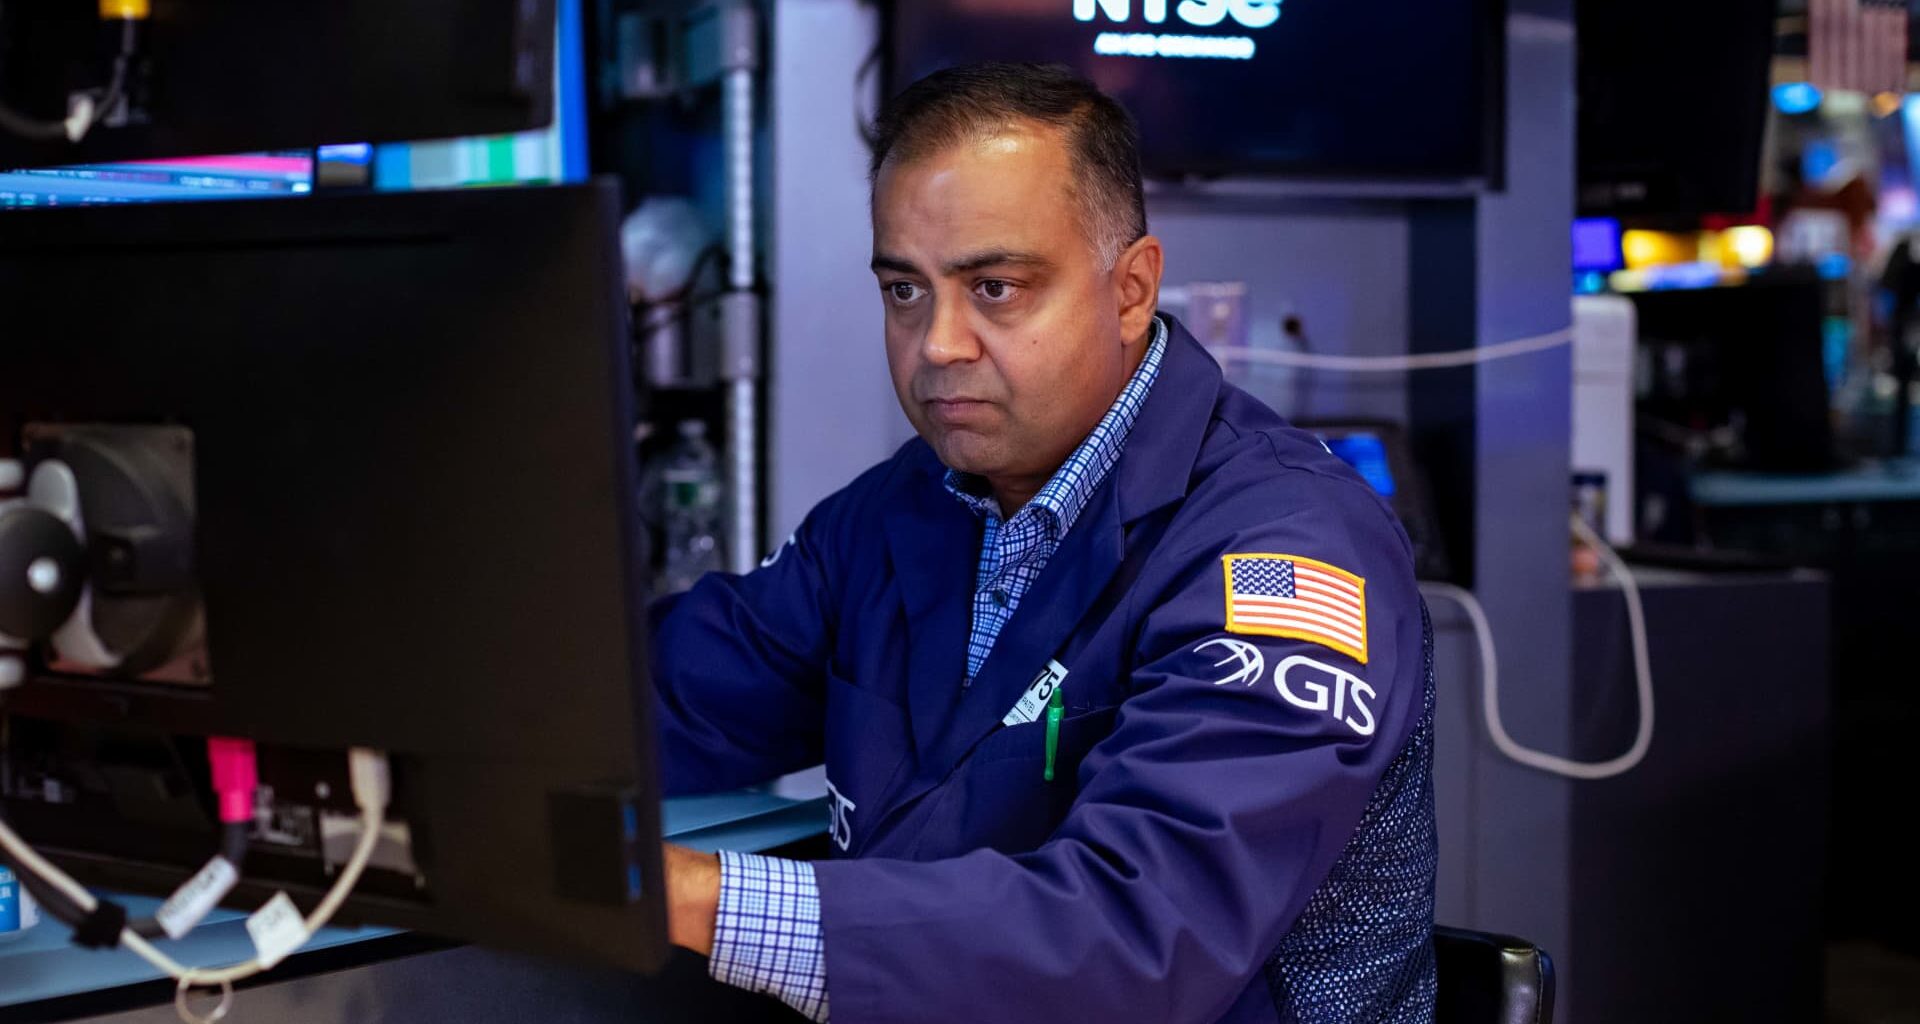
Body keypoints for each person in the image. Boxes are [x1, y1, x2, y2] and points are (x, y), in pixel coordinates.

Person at [650, 62, 1436, 1023]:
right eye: (905, 291)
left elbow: (1136, 938)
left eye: (995, 287)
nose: (938, 343)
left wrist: (680, 894)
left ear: (1131, 289)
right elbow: (669, 694)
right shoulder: (903, 509)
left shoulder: (1289, 548)